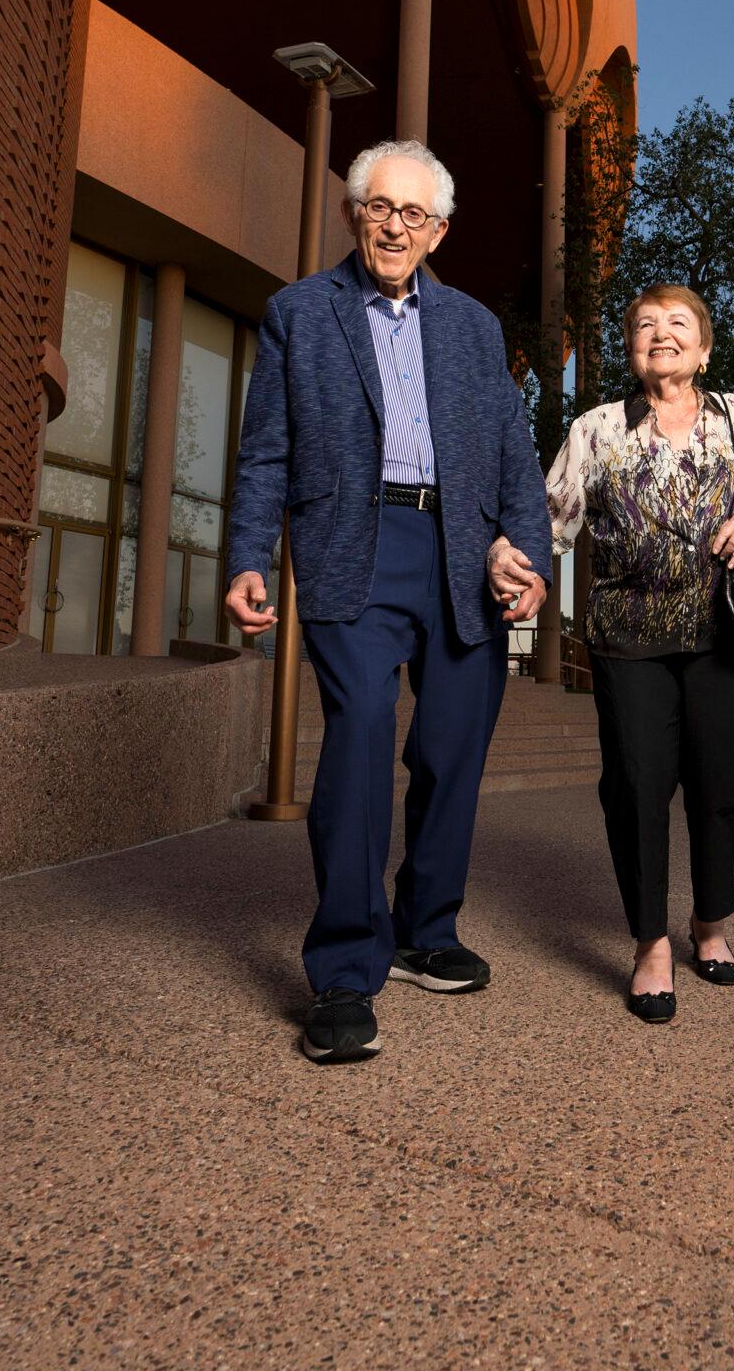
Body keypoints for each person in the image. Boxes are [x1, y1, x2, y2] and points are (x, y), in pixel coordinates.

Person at [226, 140, 550, 1064]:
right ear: (353, 213)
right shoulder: (300, 313)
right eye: (380, 206)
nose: (396, 225)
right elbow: (265, 454)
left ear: (440, 229)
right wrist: (251, 553)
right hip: (350, 549)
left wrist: (524, 553)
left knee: (451, 748)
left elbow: (515, 458)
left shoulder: (476, 329)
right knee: (362, 737)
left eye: (415, 213)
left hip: (462, 553)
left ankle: (424, 929)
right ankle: (343, 970)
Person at [494, 285, 734, 1022]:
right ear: (632, 346)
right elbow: (549, 519)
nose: (660, 335)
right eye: (645, 325)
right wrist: (519, 558)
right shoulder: (596, 429)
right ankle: (652, 942)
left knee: (721, 783)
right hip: (629, 635)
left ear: (704, 349)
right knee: (635, 785)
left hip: (721, 636)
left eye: (678, 325)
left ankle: (710, 923)